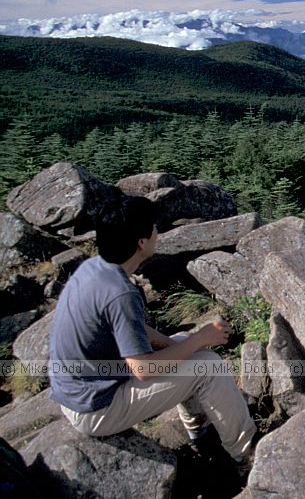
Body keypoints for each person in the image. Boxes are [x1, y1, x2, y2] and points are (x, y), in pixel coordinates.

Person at [47, 195, 256, 477]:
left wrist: (179, 343)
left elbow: (125, 327)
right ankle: (246, 455)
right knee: (209, 366)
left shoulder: (94, 269)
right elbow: (143, 369)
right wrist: (200, 339)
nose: (158, 231)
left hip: (79, 388)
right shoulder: (120, 293)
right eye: (154, 227)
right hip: (95, 407)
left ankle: (200, 431)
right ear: (141, 243)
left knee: (185, 346)